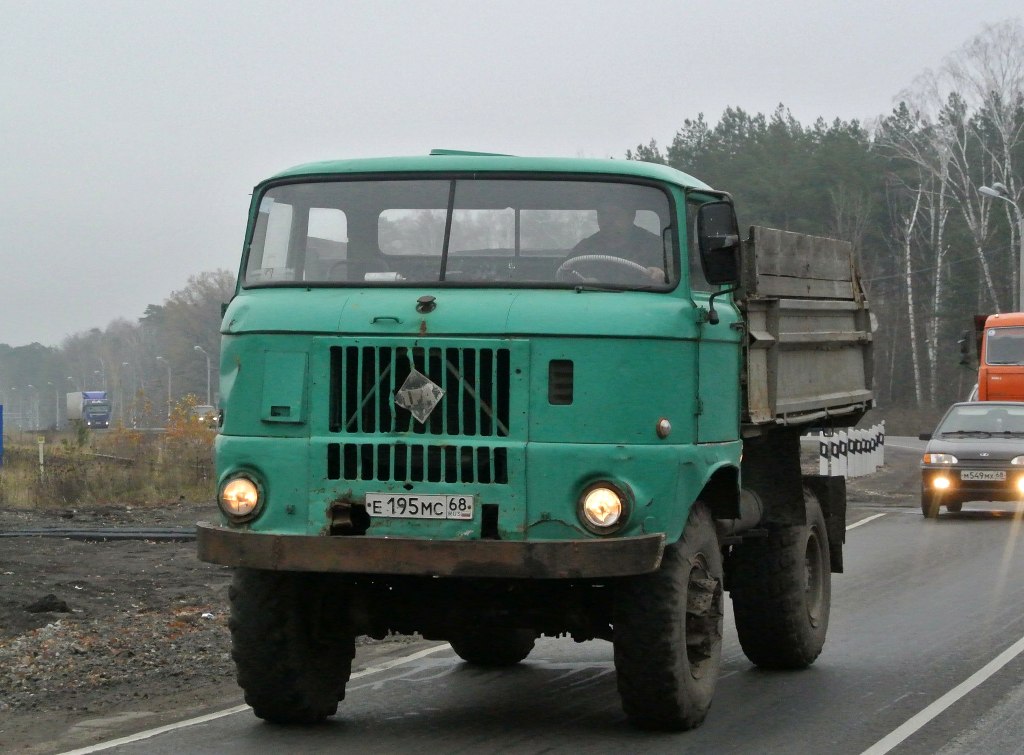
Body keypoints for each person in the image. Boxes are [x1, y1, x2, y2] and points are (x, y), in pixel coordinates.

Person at [567, 205, 665, 282]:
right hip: (591, 302)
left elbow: (675, 276)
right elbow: (561, 272)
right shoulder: (586, 246)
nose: (608, 220)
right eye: (603, 214)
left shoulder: (654, 245)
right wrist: (582, 282)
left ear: (631, 216)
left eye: (616, 214)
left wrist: (662, 275)